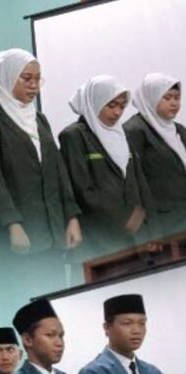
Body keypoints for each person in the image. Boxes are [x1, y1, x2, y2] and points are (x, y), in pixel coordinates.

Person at [0, 49, 82, 293]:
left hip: (52, 231)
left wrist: (71, 217)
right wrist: (13, 224)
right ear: (5, 77)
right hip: (20, 235)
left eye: (37, 79)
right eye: (26, 78)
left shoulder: (39, 119)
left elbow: (58, 169)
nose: (34, 86)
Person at [59, 76, 151, 259]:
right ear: (95, 101)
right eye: (111, 105)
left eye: (122, 106)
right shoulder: (74, 136)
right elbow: (81, 189)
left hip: (135, 238)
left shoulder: (123, 135)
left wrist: (149, 225)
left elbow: (139, 181)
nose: (117, 112)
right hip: (98, 240)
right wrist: (124, 216)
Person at [125, 74, 186, 237]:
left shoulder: (178, 129)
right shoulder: (134, 130)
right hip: (162, 221)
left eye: (177, 98)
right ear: (151, 98)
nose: (174, 103)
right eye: (167, 98)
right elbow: (133, 178)